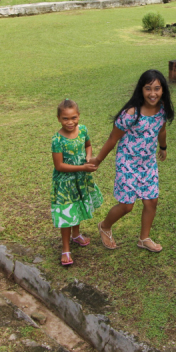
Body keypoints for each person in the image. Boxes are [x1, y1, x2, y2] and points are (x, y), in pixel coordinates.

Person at [89, 69, 174, 252]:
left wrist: (163, 147)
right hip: (127, 162)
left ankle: (144, 239)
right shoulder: (131, 113)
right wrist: (98, 160)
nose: (153, 93)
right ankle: (104, 226)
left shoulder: (162, 110)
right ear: (141, 90)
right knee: (127, 205)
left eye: (157, 89)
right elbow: (113, 138)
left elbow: (162, 130)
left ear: (163, 90)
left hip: (148, 163)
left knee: (151, 201)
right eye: (148, 88)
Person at [51, 99, 102, 266]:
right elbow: (59, 165)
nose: (70, 122)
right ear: (59, 118)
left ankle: (76, 235)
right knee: (67, 213)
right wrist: (82, 167)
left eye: (73, 117)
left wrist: (88, 158)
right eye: (65, 118)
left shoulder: (83, 130)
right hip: (65, 183)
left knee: (77, 207)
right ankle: (65, 248)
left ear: (78, 116)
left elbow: (88, 146)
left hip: (80, 179)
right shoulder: (57, 140)